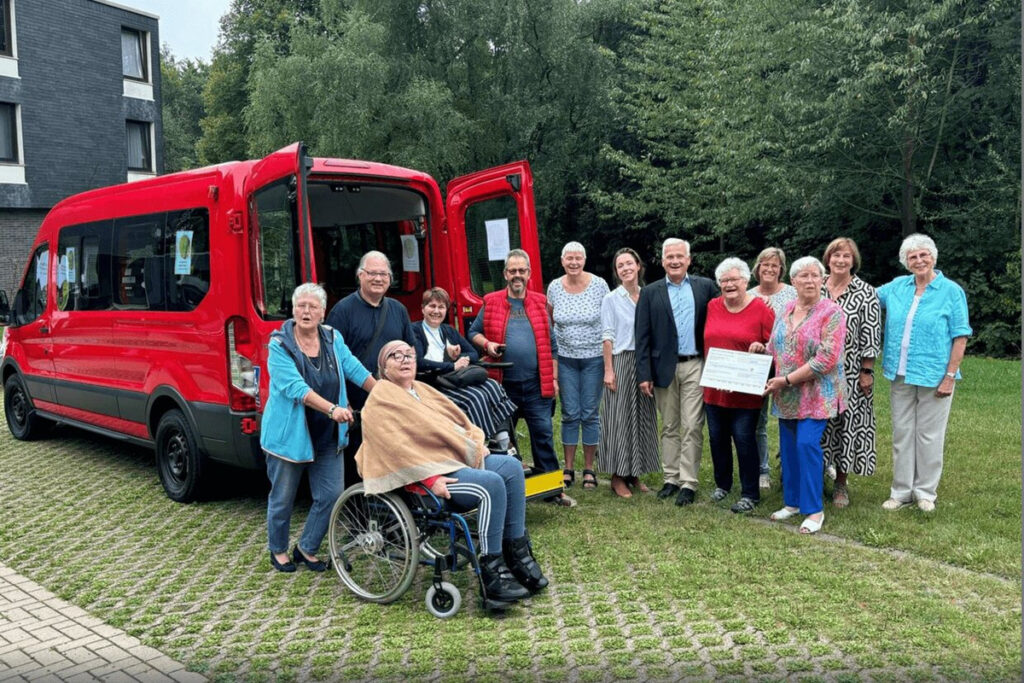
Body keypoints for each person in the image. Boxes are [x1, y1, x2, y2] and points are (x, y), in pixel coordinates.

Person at [357, 340, 549, 606]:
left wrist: (474, 444)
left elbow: (457, 422)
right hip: (426, 478)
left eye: (409, 354)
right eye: (394, 355)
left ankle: (516, 553)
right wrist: (429, 478)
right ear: (383, 367)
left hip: (452, 461)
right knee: (492, 484)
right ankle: (491, 572)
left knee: (512, 467)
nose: (404, 359)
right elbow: (394, 449)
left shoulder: (422, 390)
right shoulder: (380, 400)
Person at [261, 283, 376, 573]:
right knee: (283, 498)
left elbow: (354, 369)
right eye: (301, 305)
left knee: (331, 495)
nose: (306, 311)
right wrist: (332, 409)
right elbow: (294, 388)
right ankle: (278, 550)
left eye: (313, 306)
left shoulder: (332, 337)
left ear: (323, 312)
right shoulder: (279, 344)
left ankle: (307, 547)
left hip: (328, 434)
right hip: (290, 436)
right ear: (293, 309)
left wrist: (384, 394)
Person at [469, 249, 576, 507]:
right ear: (505, 274)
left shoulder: (539, 302)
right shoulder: (492, 301)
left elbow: (551, 344)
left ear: (529, 274)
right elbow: (473, 331)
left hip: (536, 384)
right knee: (503, 441)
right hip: (501, 386)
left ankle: (552, 490)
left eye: (522, 270)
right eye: (512, 270)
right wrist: (488, 344)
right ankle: (510, 492)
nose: (517, 275)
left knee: (543, 435)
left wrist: (554, 379)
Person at [876, 234, 970, 512]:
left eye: (923, 255)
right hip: (900, 373)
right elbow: (865, 297)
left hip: (935, 374)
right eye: (912, 257)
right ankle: (901, 491)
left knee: (929, 435)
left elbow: (961, 336)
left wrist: (950, 376)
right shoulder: (897, 287)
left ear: (933, 257)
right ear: (906, 261)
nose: (918, 261)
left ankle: (925, 492)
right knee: (903, 432)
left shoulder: (951, 291)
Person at [764, 257, 846, 534]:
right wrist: (759, 351)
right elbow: (777, 346)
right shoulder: (786, 308)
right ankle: (793, 502)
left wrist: (786, 379)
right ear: (794, 281)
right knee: (788, 448)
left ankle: (814, 510)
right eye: (803, 276)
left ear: (822, 280)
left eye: (815, 276)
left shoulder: (831, 312)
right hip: (786, 396)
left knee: (806, 445)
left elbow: (826, 359)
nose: (809, 281)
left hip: (816, 394)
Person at [635, 238, 717, 506]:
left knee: (692, 425)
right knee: (669, 426)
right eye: (669, 256)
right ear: (662, 261)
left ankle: (688, 482)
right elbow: (642, 336)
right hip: (663, 367)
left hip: (696, 364)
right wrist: (644, 373)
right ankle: (670, 478)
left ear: (689, 260)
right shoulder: (650, 292)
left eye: (680, 256)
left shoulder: (705, 287)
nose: (675, 261)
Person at [325, 250, 415, 488]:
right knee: (360, 456)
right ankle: (358, 507)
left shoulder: (398, 310)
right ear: (360, 276)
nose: (378, 279)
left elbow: (411, 351)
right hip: (357, 401)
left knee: (393, 450)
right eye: (372, 273)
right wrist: (342, 399)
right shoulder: (342, 311)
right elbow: (332, 360)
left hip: (393, 398)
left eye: (383, 274)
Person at [703, 258, 775, 513]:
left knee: (744, 439)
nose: (730, 284)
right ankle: (722, 484)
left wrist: (762, 347)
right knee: (717, 438)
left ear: (746, 281)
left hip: (745, 392)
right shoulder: (712, 306)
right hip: (714, 389)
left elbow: (774, 346)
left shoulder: (761, 309)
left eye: (735, 279)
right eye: (725, 280)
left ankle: (750, 493)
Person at [821, 238, 881, 509]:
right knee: (817, 425)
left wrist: (866, 371)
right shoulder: (815, 285)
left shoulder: (865, 292)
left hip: (850, 371)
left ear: (853, 260)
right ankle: (814, 474)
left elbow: (870, 333)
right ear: (828, 258)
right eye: (836, 255)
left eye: (846, 256)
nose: (840, 260)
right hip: (815, 371)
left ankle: (841, 484)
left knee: (846, 427)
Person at [411, 287, 517, 442]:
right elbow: (419, 362)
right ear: (423, 309)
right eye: (432, 306)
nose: (436, 311)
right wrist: (451, 364)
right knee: (476, 397)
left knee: (493, 386)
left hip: (455, 379)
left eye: (441, 307)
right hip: (433, 383)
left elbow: (473, 353)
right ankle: (484, 442)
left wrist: (456, 356)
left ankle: (503, 438)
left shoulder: (448, 330)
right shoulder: (415, 330)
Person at [547, 242, 609, 490]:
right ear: (562, 261)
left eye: (578, 258)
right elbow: (550, 320)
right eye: (569, 258)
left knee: (590, 414)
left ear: (585, 260)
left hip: (594, 357)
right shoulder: (554, 287)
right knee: (570, 413)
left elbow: (609, 319)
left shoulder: (599, 285)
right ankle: (568, 467)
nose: (574, 263)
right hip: (565, 359)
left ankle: (589, 469)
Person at [598, 248, 660, 499]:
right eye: (620, 265)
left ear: (638, 266)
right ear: (617, 271)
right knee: (620, 420)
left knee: (642, 418)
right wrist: (609, 370)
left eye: (629, 263)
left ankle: (635, 471)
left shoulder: (648, 295)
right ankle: (616, 477)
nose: (625, 268)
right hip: (621, 361)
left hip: (644, 362)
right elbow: (607, 336)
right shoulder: (611, 299)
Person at [749, 247, 797, 490]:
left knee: (790, 417)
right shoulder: (748, 295)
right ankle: (762, 470)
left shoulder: (792, 293)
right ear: (757, 268)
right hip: (758, 364)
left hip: (788, 367)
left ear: (781, 269)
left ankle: (788, 467)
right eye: (764, 264)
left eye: (774, 265)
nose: (769, 269)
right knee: (758, 421)